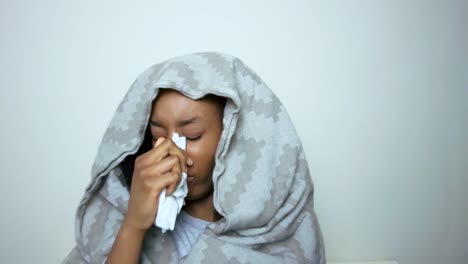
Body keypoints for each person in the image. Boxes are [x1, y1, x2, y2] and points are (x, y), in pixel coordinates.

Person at [63, 52, 325, 264]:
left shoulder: (284, 230)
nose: (173, 153)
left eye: (192, 135)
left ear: (233, 138)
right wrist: (133, 225)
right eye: (158, 136)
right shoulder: (118, 213)